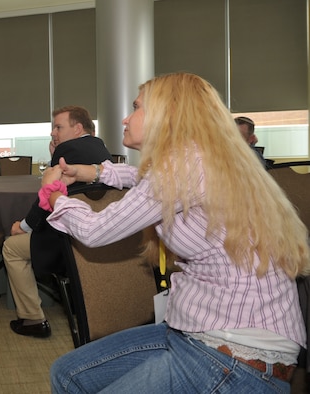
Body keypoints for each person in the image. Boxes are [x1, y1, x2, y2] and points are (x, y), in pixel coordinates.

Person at [40, 73, 309, 392]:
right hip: (206, 331)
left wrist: (53, 193)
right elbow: (143, 178)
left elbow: (96, 230)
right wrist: (93, 171)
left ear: (168, 115)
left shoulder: (182, 166)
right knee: (67, 372)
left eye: (137, 107)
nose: (126, 118)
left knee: (69, 376)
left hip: (234, 357)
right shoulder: (201, 160)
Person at [3, 106, 111, 338]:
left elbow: (48, 197)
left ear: (78, 128)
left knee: (11, 247)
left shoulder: (67, 150)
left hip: (69, 241)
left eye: (59, 127)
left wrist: (23, 227)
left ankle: (33, 319)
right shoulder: (101, 148)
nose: (53, 132)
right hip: (103, 240)